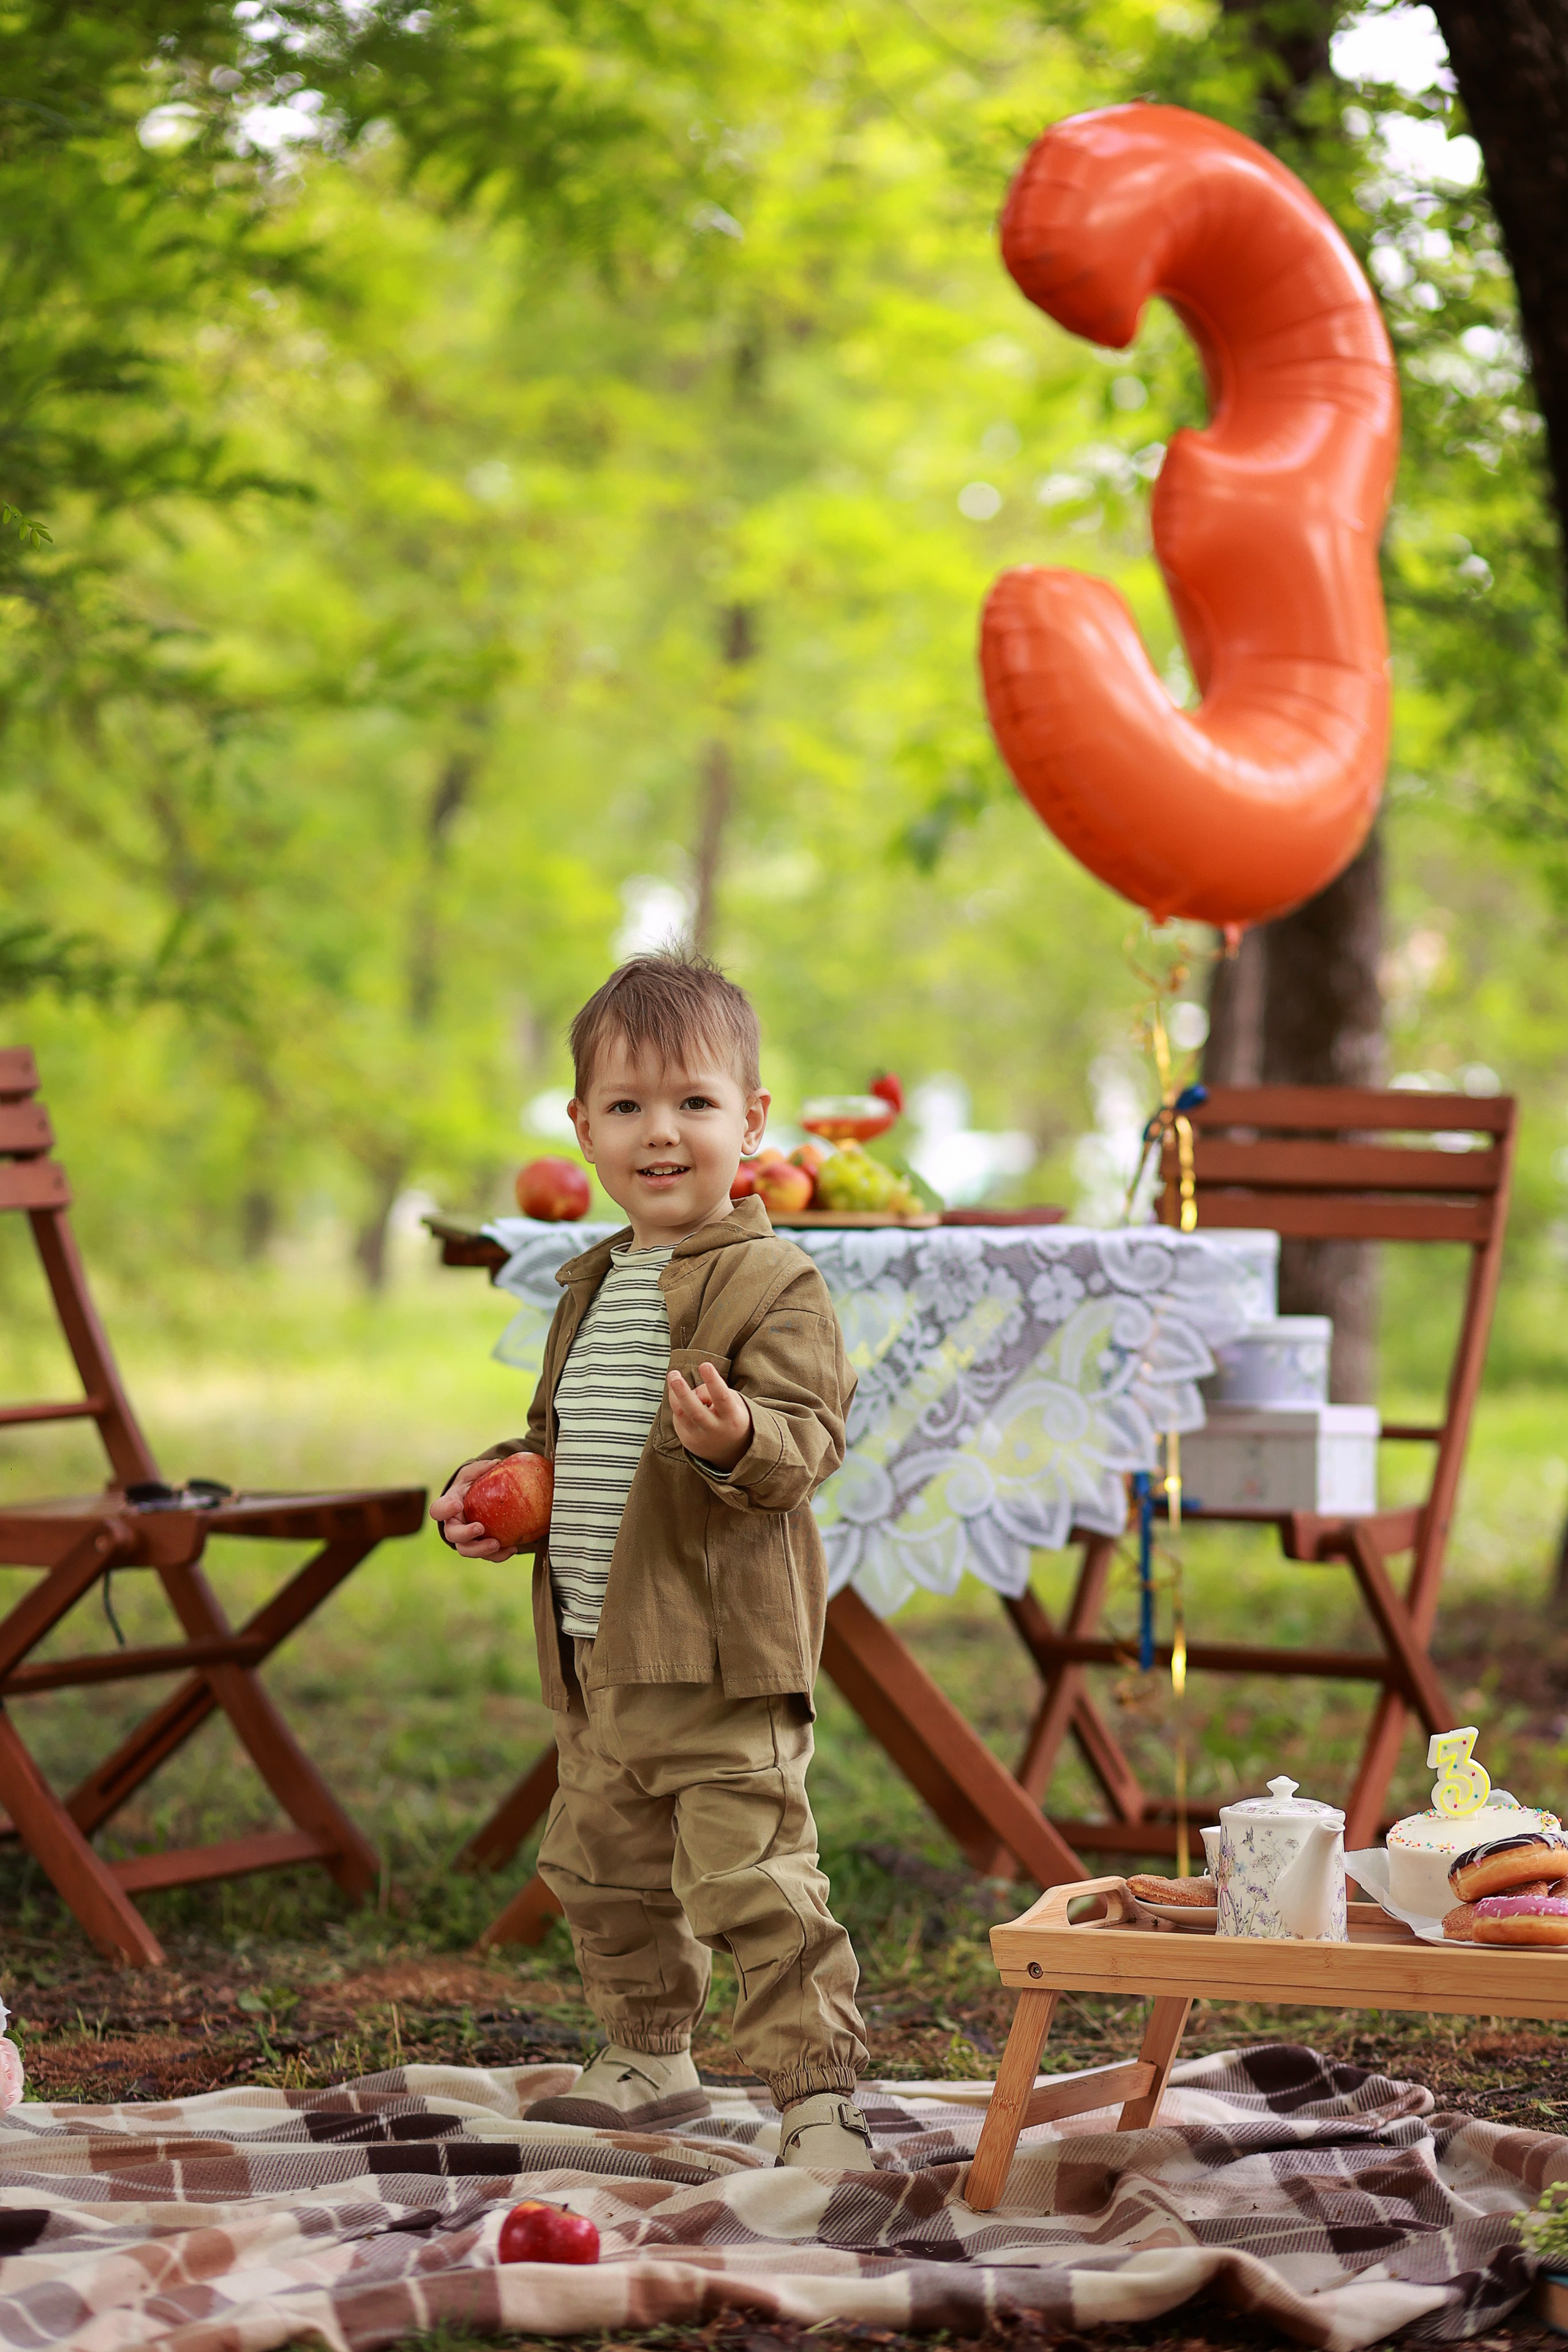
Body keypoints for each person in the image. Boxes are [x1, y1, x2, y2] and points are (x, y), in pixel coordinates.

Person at [432, 951, 874, 2169]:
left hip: (718, 1659)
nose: (659, 1132)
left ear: (751, 1120)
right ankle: (646, 2051)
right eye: (625, 1107)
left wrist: (737, 1434)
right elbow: (547, 1445)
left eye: (691, 1102)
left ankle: (819, 2097)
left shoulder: (774, 1280)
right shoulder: (587, 1282)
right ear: (581, 1128)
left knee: (753, 1885)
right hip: (595, 1653)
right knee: (603, 1873)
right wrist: (483, 1494)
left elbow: (805, 1443)